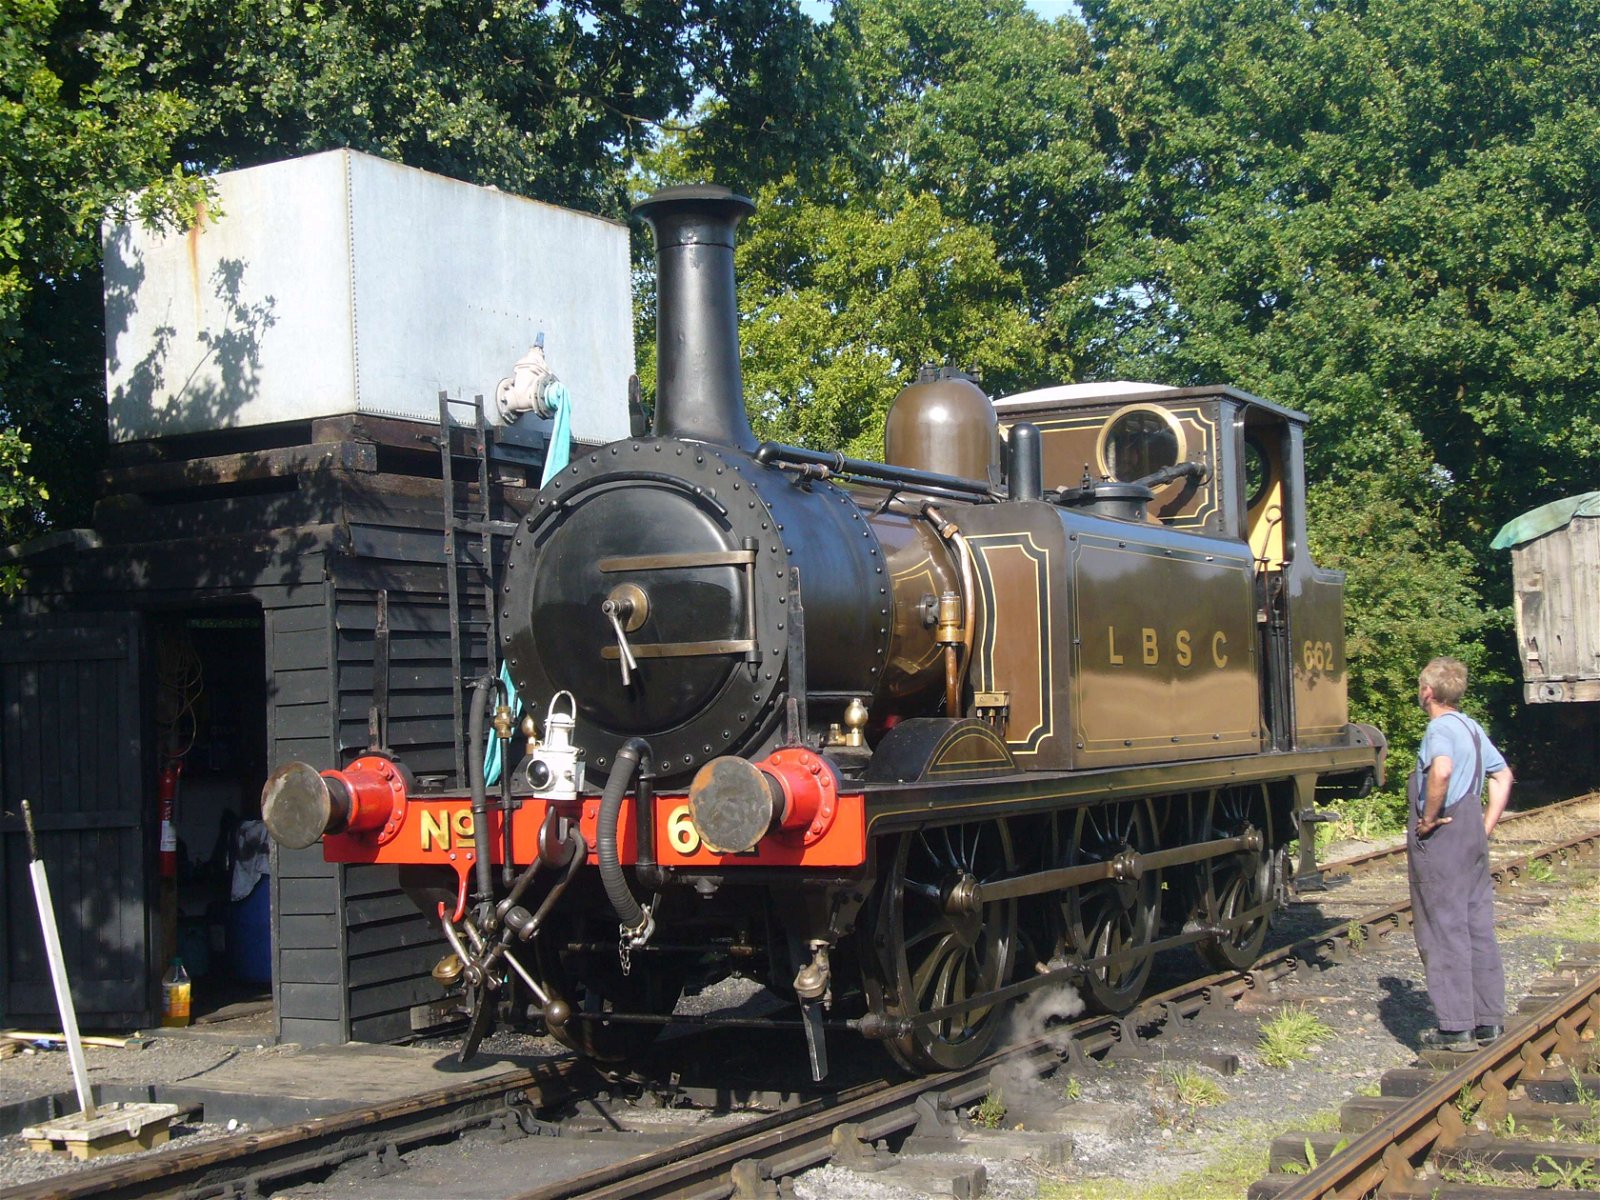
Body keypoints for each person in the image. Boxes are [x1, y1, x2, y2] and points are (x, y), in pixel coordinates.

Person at [1408, 656, 1515, 1051]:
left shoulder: (1439, 728)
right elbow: (1502, 777)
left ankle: (1455, 1027)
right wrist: (1483, 828)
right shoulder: (1472, 727)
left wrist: (1429, 819)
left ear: (1428, 692)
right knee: (1477, 925)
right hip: (1471, 831)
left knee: (1443, 926)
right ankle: (1488, 1021)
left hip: (1445, 833)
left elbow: (1441, 771)